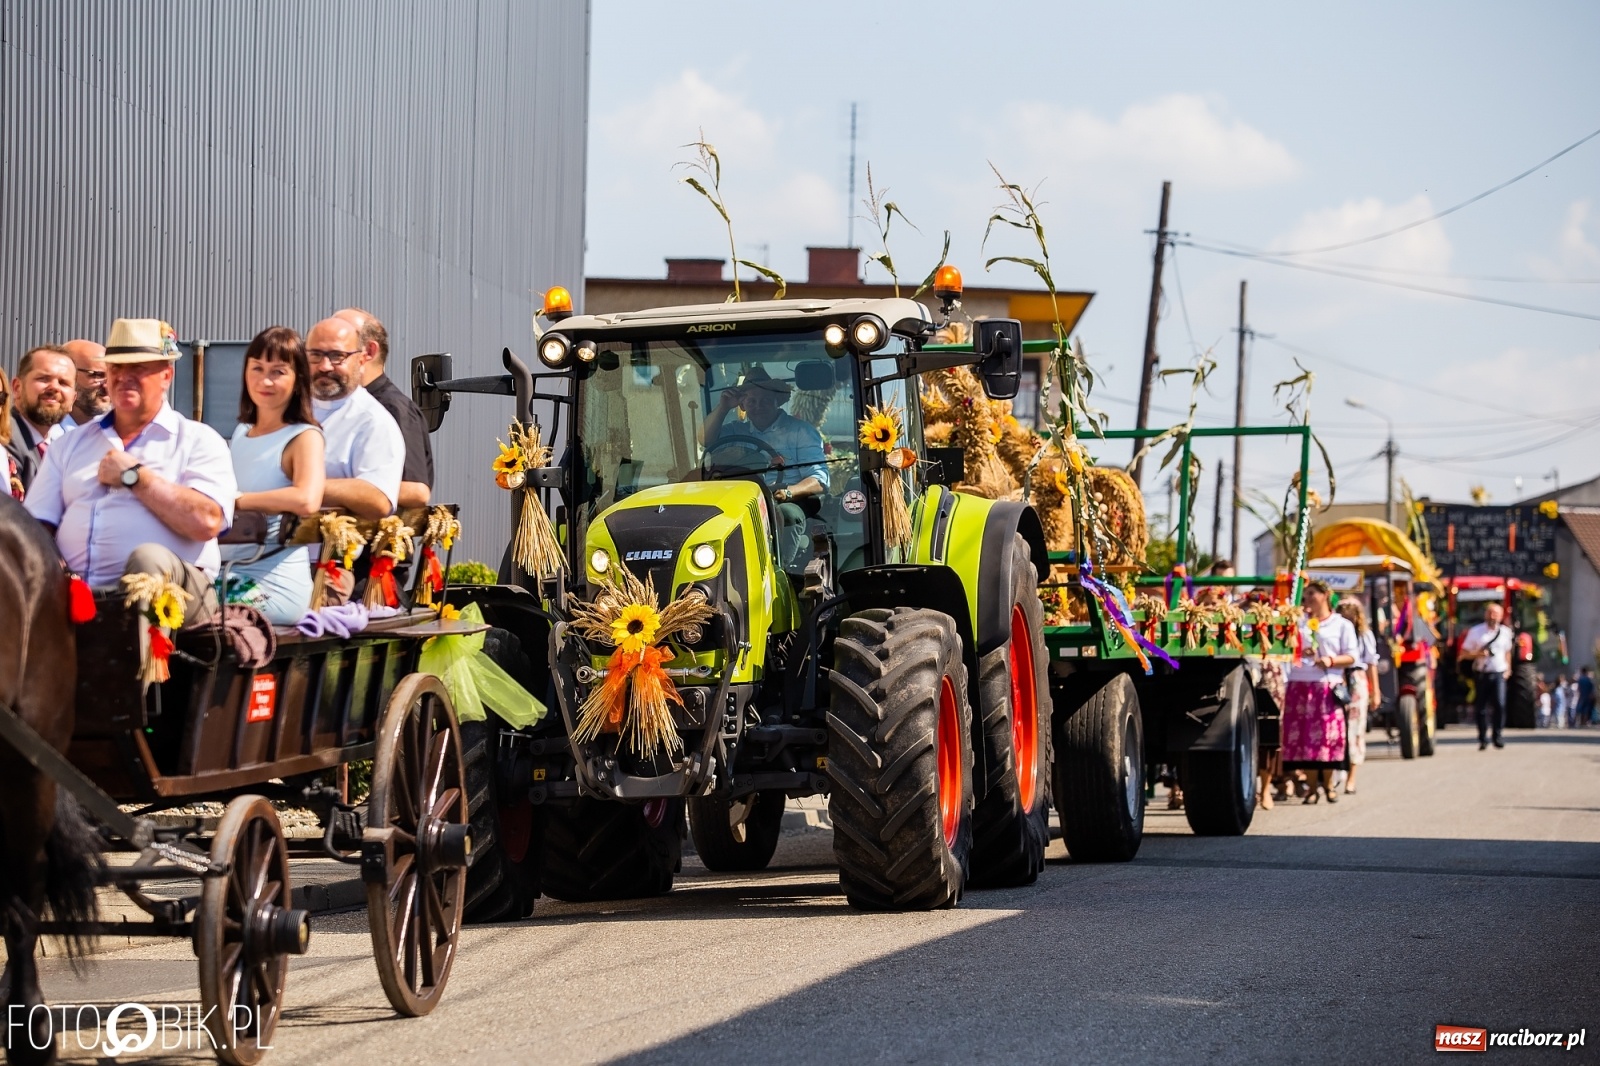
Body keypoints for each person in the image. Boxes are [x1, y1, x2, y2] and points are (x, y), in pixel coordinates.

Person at [24, 318, 235, 621]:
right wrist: (57, 568)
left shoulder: (198, 440)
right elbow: (37, 525)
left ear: (166, 375)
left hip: (180, 596)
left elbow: (206, 521)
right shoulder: (69, 444)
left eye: (138, 368)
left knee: (148, 560)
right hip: (78, 594)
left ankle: (146, 668)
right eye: (116, 368)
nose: (124, 377)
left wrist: (134, 476)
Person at [221, 327, 325, 624]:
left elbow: (307, 499)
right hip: (228, 571)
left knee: (190, 604)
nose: (264, 381)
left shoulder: (304, 436)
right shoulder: (241, 432)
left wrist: (237, 501)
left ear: (298, 380)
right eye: (257, 368)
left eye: (278, 371)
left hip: (273, 582)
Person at [702, 366, 828, 565]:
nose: (758, 406)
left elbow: (819, 479)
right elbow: (705, 440)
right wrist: (723, 408)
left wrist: (788, 493)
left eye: (765, 400)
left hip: (786, 499)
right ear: (742, 405)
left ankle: (779, 572)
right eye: (751, 401)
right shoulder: (733, 430)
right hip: (738, 500)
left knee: (787, 515)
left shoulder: (800, 431)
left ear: (777, 402)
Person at [303, 316, 404, 519]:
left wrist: (299, 488)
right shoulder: (283, 408)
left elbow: (379, 498)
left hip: (326, 549)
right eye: (315, 355)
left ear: (362, 357)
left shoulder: (373, 422)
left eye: (337, 356)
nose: (325, 366)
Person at [336, 307, 433, 509]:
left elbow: (416, 490)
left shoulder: (394, 410)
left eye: (337, 348)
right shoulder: (335, 407)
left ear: (369, 352)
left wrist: (324, 489)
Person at [1281, 580, 1359, 803]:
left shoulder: (1341, 624)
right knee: (1304, 739)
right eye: (1305, 595)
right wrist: (1299, 651)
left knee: (1326, 738)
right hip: (1299, 684)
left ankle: (1328, 784)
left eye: (1312, 593)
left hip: (1326, 686)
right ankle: (1312, 786)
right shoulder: (1298, 622)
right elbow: (1285, 647)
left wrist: (1331, 660)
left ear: (1325, 595)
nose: (1308, 599)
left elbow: (1352, 656)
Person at [6, 345, 77, 494]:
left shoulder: (65, 448)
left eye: (63, 383)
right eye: (43, 379)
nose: (54, 388)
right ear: (17, 388)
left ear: (73, 399)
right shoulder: (5, 439)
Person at [1336, 598, 1379, 794]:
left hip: (1356, 677)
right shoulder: (1335, 632)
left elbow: (1371, 664)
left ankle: (1351, 777)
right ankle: (1335, 773)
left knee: (1355, 728)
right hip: (1337, 677)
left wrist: (1375, 691)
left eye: (1350, 615)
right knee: (1336, 727)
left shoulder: (1364, 635)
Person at [1460, 601, 1514, 750]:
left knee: (1500, 705)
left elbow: (1508, 652)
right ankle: (1483, 738)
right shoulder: (1476, 632)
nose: (1492, 616)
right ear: (1485, 615)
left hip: (1499, 673)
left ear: (1501, 616)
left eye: (1496, 614)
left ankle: (1498, 736)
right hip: (1482, 673)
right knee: (1481, 708)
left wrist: (1508, 669)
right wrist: (1478, 654)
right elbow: (1464, 653)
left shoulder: (1506, 632)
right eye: (1490, 613)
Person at [58, 338, 111, 429]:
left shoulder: (118, 434)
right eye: (97, 375)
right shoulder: (44, 436)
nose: (107, 385)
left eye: (111, 376)